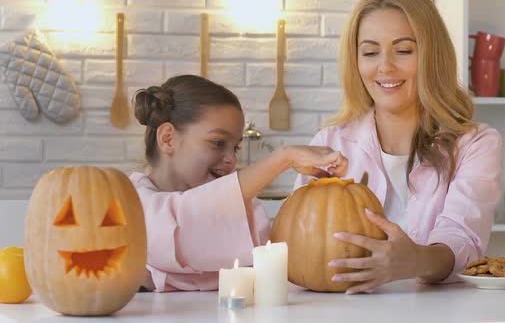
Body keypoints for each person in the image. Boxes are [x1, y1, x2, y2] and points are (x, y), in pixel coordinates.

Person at [294, 0, 503, 294]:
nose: (385, 67)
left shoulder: (476, 144)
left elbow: (463, 240)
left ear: (432, 55)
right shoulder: (329, 142)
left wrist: (415, 260)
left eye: (403, 50)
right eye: (370, 52)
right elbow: (303, 242)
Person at [130, 74, 348, 292]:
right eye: (217, 143)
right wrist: (284, 157)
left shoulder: (245, 210)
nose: (231, 159)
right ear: (168, 138)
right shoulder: (131, 203)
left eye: (235, 148)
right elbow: (183, 218)